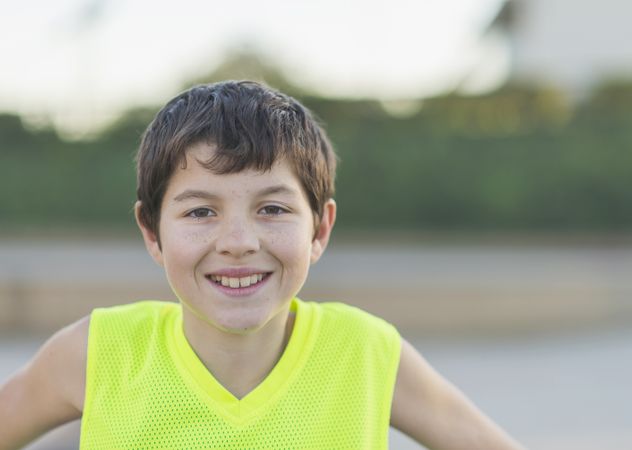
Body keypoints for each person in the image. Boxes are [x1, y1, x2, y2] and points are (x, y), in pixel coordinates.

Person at [0, 81, 525, 450]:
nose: (238, 242)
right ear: (151, 232)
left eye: (272, 209)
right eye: (201, 211)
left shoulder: (366, 354)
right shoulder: (95, 354)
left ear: (319, 229)